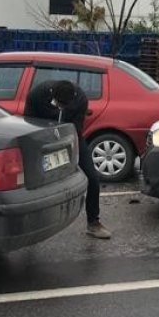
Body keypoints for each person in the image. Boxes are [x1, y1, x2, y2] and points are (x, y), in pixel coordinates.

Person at [23, 78, 112, 240]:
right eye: (57, 104)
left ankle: (93, 222)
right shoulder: (38, 94)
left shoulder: (80, 100)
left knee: (93, 177)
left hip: (71, 138)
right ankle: (30, 225)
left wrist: (69, 157)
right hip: (42, 141)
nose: (60, 108)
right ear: (52, 94)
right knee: (32, 182)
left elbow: (76, 129)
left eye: (63, 106)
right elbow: (28, 122)